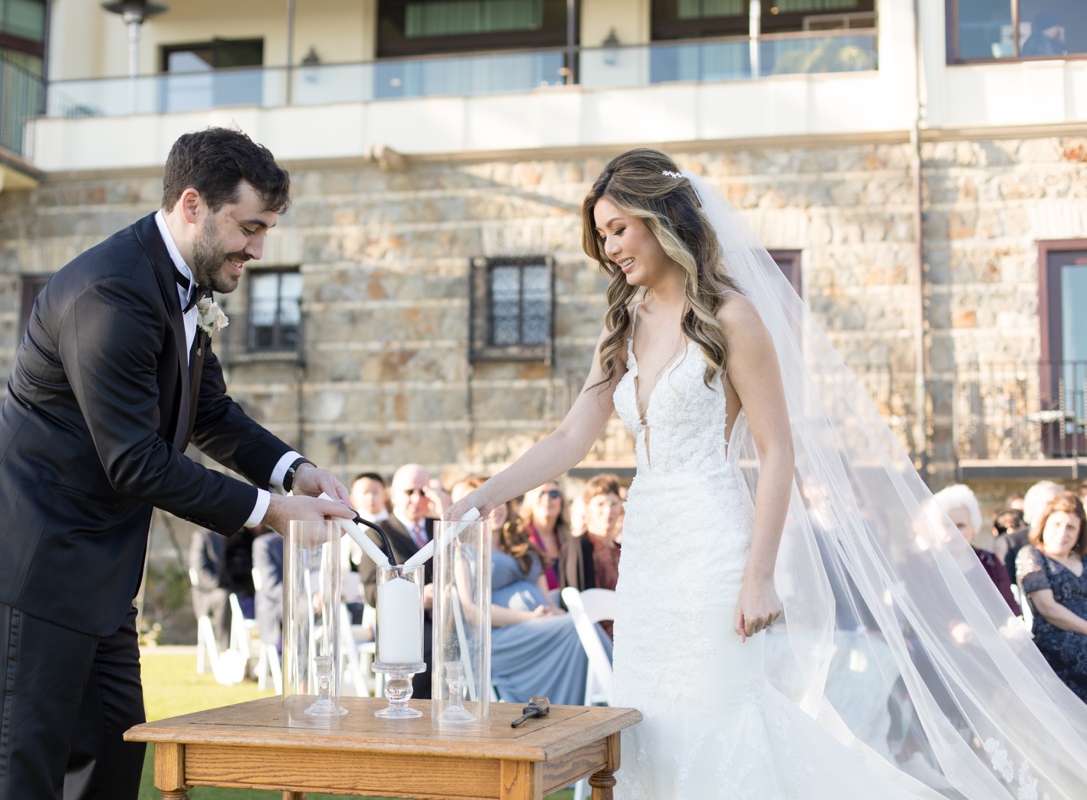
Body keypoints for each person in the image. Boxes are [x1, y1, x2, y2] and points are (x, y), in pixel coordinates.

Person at [447, 149, 1087, 798]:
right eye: (603, 233)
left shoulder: (733, 318)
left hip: (714, 554)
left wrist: (759, 576)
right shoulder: (622, 324)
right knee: (651, 722)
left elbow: (777, 450)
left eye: (620, 228)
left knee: (717, 718)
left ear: (662, 219)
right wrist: (482, 496)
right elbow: (569, 436)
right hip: (649, 556)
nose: (610, 246)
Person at [0, 127, 353, 800]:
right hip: (32, 564)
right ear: (192, 204)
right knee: (23, 779)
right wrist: (272, 514)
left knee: (112, 753)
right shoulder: (113, 293)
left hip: (97, 573)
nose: (257, 248)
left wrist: (291, 470)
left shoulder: (183, 284)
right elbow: (136, 461)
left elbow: (209, 414)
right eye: (249, 227)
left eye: (267, 230)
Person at [457, 476, 599, 705]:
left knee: (583, 623)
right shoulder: (464, 551)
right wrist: (530, 616)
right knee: (576, 628)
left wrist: (551, 611)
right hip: (497, 639)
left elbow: (546, 599)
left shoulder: (520, 544)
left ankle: (596, 691)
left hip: (537, 630)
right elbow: (472, 611)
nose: (497, 508)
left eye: (499, 501)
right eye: (487, 504)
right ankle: (601, 688)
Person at [356, 463, 438, 698]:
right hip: (405, 620)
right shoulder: (378, 534)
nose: (417, 498)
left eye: (423, 492)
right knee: (435, 648)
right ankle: (419, 707)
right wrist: (418, 597)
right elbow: (372, 591)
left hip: (448, 614)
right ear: (393, 494)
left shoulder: (440, 528)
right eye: (409, 492)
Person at [1016, 492, 1087, 703]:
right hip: (1057, 636)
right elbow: (1047, 608)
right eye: (1056, 524)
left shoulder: (1084, 560)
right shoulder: (1033, 556)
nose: (1062, 533)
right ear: (1044, 525)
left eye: (1071, 527)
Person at [931, 484, 1020, 615]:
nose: (954, 532)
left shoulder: (990, 562)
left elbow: (1009, 605)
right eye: (947, 525)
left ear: (974, 527)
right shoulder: (926, 563)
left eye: (961, 525)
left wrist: (1012, 626)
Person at [995, 480, 1063, 585]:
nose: (1060, 509)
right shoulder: (1010, 543)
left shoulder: (1070, 540)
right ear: (1034, 506)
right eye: (1052, 503)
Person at [519, 480, 570, 595]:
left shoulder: (569, 540)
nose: (547, 499)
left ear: (561, 502)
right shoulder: (519, 539)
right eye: (541, 493)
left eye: (554, 494)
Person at [189, 528, 232, 649]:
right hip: (207, 592)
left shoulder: (232, 536)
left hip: (231, 588)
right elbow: (199, 570)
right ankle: (224, 648)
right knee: (224, 596)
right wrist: (219, 584)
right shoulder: (202, 537)